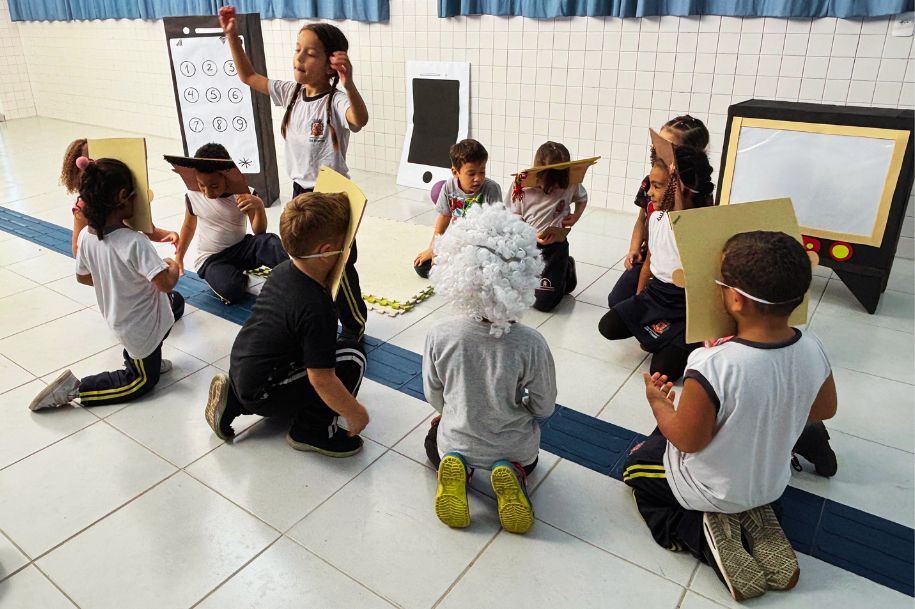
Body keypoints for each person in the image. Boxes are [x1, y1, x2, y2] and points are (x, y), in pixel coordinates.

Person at [623, 231, 837, 602]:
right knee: (724, 446)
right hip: (770, 483)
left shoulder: (714, 364)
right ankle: (755, 517)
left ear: (734, 299)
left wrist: (660, 405)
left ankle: (698, 531)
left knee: (637, 468)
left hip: (712, 487)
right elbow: (823, 410)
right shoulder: (812, 347)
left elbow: (689, 440)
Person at [220, 9, 369, 342]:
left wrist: (350, 83)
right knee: (306, 261)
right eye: (297, 49)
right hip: (301, 191)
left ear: (332, 63)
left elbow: (358, 120)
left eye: (310, 53)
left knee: (338, 265)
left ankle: (355, 323)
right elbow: (249, 77)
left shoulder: (335, 100)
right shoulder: (291, 92)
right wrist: (232, 35)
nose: (299, 57)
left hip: (331, 197)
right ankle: (320, 315)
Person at [423, 203, 557, 534]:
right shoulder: (531, 343)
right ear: (525, 275)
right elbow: (544, 405)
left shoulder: (440, 334)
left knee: (432, 442)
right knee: (527, 458)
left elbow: (433, 394)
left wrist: (450, 411)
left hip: (458, 437)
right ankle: (512, 473)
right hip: (514, 446)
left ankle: (459, 469)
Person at [204, 192, 370, 457]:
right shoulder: (318, 305)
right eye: (347, 245)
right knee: (352, 356)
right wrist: (356, 413)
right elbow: (322, 379)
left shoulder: (282, 271)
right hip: (266, 391)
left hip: (242, 368)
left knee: (291, 349)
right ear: (327, 252)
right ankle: (312, 430)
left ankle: (235, 401)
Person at [30, 158, 180, 411]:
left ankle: (147, 359)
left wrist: (115, 280)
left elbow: (83, 276)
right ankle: (77, 388)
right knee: (142, 381)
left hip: (131, 316)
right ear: (123, 197)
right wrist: (172, 264)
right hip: (138, 327)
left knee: (176, 306)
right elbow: (165, 283)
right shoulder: (135, 242)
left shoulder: (88, 239)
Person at [598, 143, 714, 382]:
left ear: (680, 189)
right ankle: (659, 336)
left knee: (661, 372)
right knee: (608, 326)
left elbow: (682, 226)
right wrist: (638, 302)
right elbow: (649, 264)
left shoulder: (701, 227)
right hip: (656, 295)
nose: (649, 192)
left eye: (657, 186)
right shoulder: (656, 217)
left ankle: (683, 342)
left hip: (685, 309)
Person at [62, 141, 184, 320]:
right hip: (141, 314)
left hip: (120, 312)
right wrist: (113, 279)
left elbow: (145, 227)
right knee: (175, 302)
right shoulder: (131, 238)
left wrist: (167, 234)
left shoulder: (108, 210)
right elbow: (165, 283)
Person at [608, 115, 709, 308]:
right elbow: (641, 219)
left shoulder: (698, 193)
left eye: (668, 147)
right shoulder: (651, 182)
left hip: (678, 267)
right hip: (651, 255)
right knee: (617, 302)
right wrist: (634, 248)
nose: (658, 151)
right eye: (656, 144)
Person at [174, 143, 287, 304]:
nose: (207, 192)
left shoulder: (243, 194)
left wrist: (259, 206)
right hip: (212, 259)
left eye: (214, 186)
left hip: (241, 248)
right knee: (232, 289)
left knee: (270, 241)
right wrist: (179, 257)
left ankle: (293, 276)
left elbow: (259, 232)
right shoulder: (193, 195)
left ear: (226, 177)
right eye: (202, 185)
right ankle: (229, 276)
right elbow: (188, 226)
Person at [508, 141, 588, 311]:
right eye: (549, 184)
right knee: (516, 294)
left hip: (556, 246)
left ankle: (566, 269)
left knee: (544, 304)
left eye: (558, 185)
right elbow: (513, 215)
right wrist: (530, 234)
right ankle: (551, 272)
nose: (553, 189)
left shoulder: (571, 182)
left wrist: (575, 217)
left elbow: (582, 198)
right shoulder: (522, 185)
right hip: (526, 244)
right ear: (539, 175)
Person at [412, 139, 503, 278]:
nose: (478, 178)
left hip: (482, 246)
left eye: (482, 172)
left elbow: (497, 229)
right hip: (457, 242)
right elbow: (444, 217)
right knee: (422, 267)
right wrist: (433, 248)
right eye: (471, 173)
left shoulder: (492, 189)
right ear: (455, 172)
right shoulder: (449, 186)